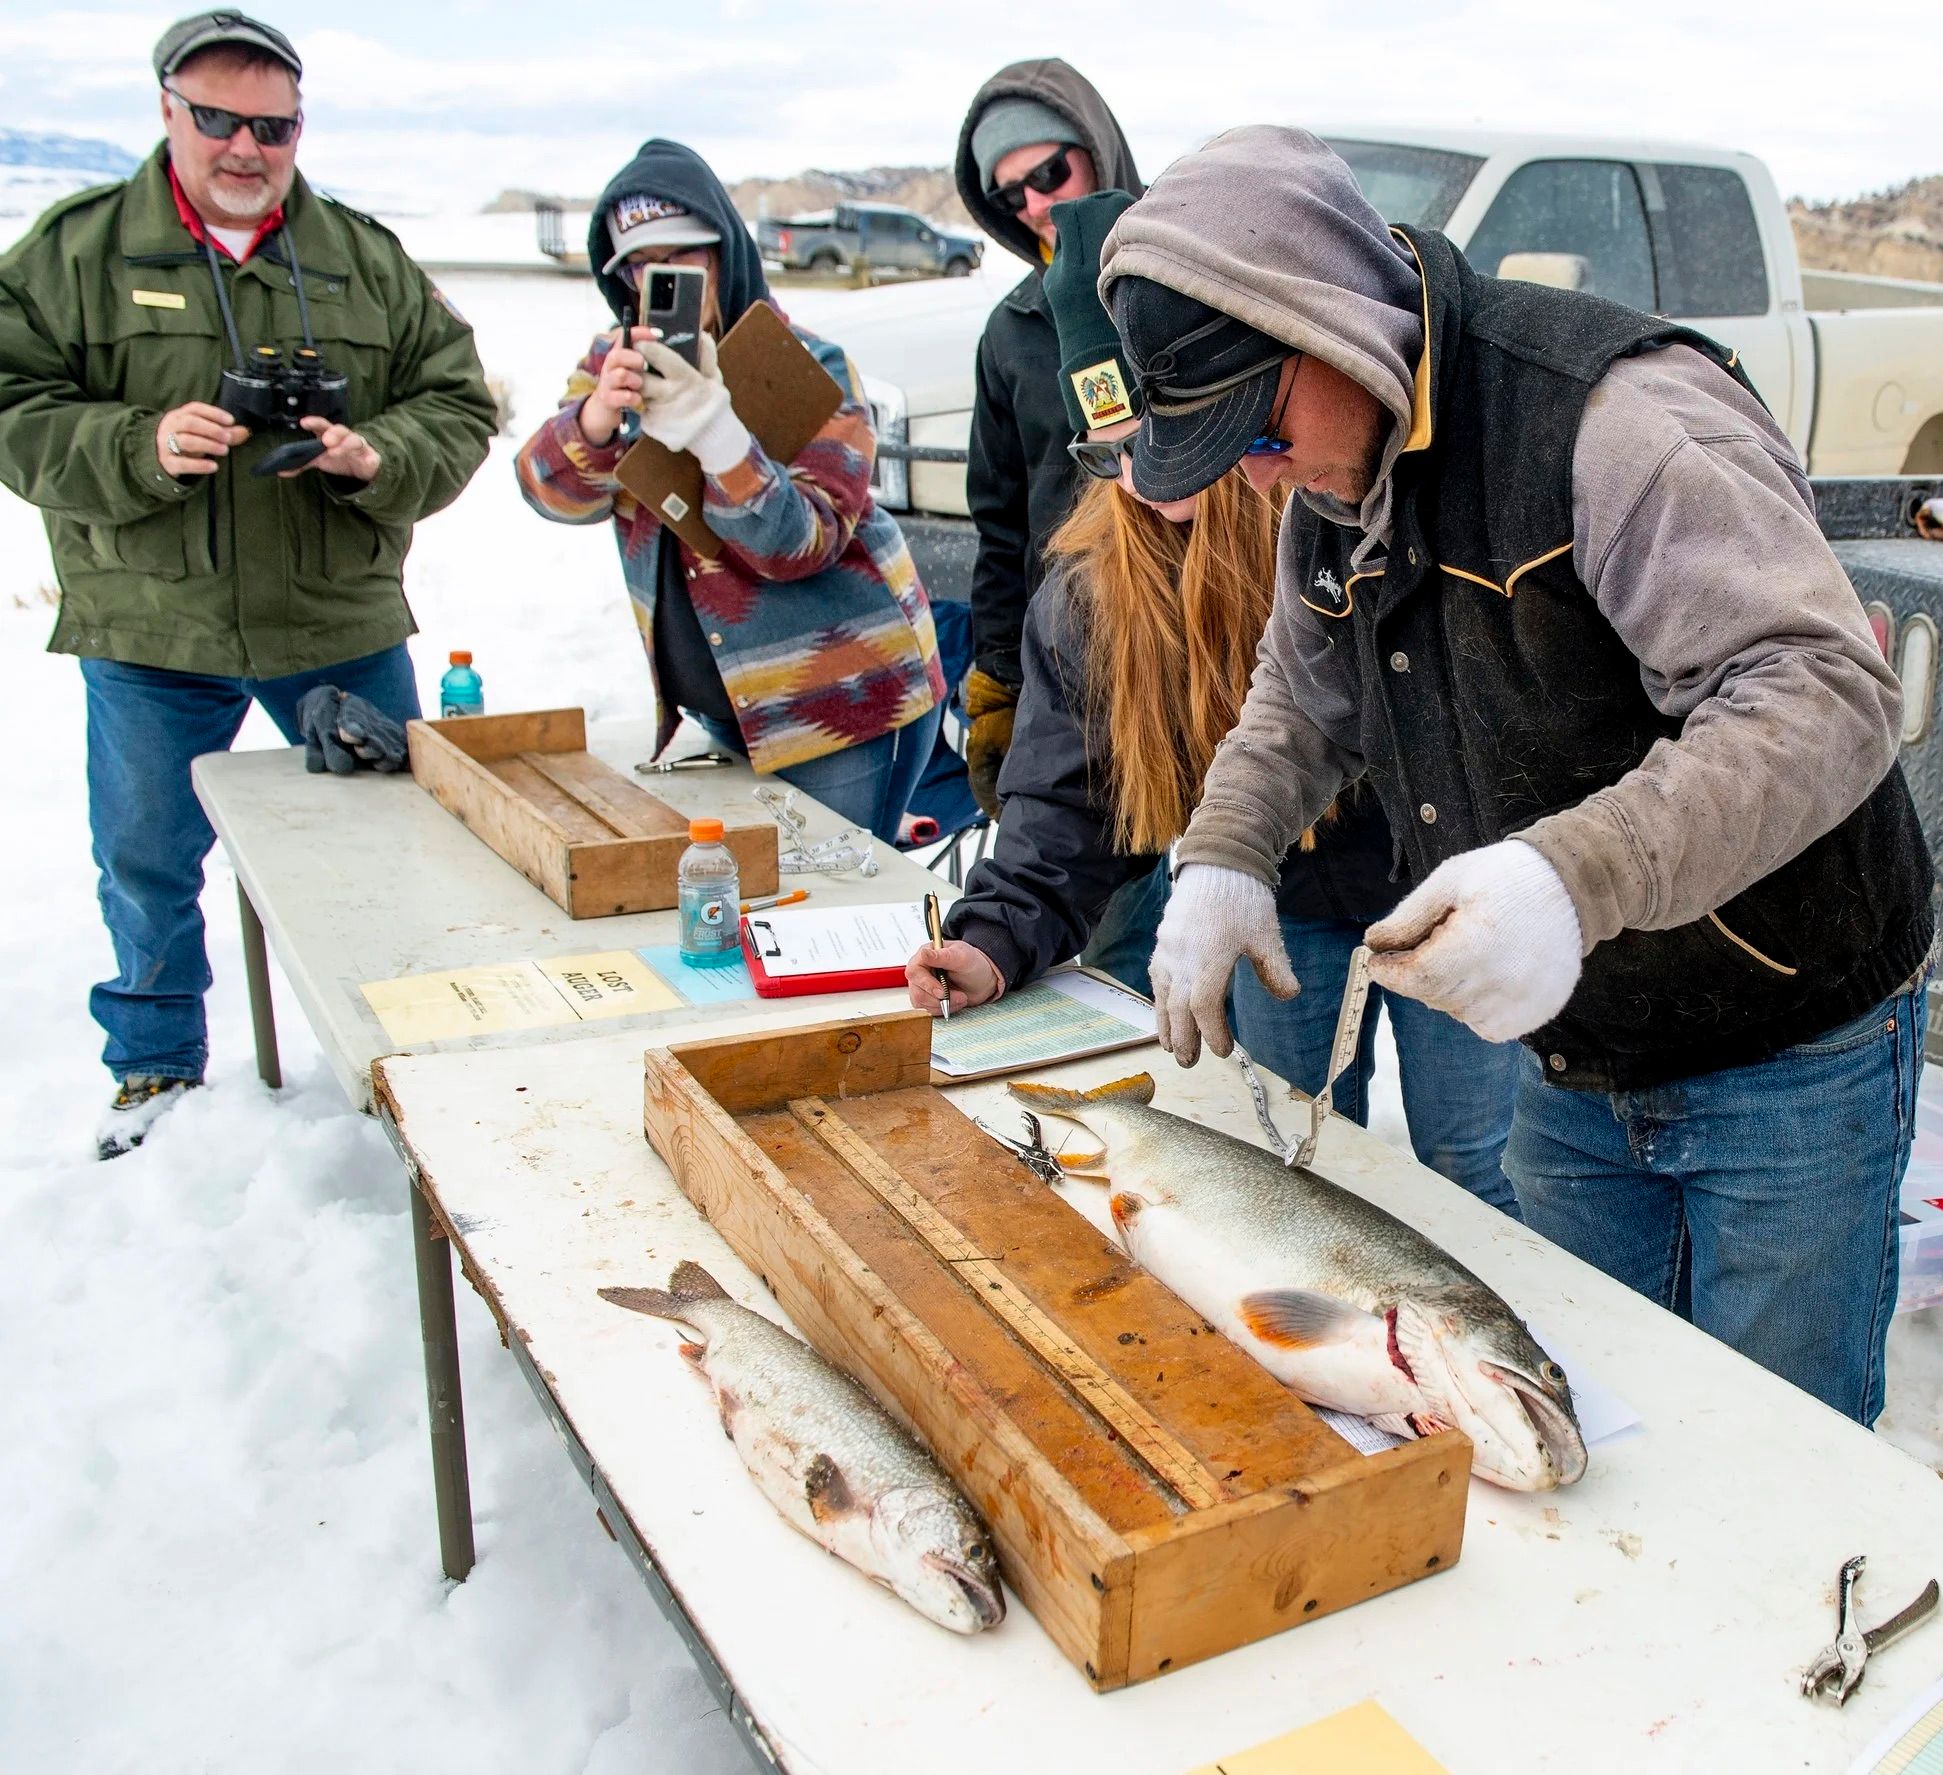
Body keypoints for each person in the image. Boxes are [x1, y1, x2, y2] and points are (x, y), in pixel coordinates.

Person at [1097, 129, 1935, 1425]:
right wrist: (1224, 854)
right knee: (1592, 1413)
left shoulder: (1609, 423)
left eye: (1255, 428)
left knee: (1782, 1440)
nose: (1255, 477)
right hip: (1576, 1051)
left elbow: (1820, 695)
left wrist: (1571, 873)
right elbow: (1298, 697)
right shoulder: (1332, 478)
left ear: (1330, 320)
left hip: (1782, 1035)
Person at [904, 193, 1518, 1210]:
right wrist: (992, 935)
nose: (1146, 481)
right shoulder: (1093, 589)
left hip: (1440, 883)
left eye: (1162, 438)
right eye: (1112, 454)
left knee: (1471, 1156)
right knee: (1306, 1161)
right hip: (1275, 913)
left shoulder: (1341, 500)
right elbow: (1066, 800)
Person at [0, 10, 495, 1158]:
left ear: (298, 127)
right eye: (216, 119)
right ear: (167, 112)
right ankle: (157, 1064)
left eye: (271, 126)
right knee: (147, 857)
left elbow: (457, 403)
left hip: (337, 618)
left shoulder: (363, 257)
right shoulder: (73, 255)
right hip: (151, 623)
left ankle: (403, 1057)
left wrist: (379, 456)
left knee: (388, 851)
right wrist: (136, 444)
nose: (244, 147)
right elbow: (14, 408)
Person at [516, 140, 944, 841]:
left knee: (827, 912)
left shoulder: (805, 364)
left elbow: (801, 543)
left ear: (723, 256)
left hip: (842, 703)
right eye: (642, 267)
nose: (664, 279)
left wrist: (718, 433)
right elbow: (547, 492)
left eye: (683, 258)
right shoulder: (614, 364)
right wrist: (597, 420)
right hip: (729, 708)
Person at [951, 63, 1167, 993]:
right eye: (1012, 193)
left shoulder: (1193, 274)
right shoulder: (1012, 332)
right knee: (1110, 959)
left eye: (1053, 176)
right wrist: (1002, 678)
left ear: (1099, 147)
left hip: (1230, 651)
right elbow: (1001, 527)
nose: (1037, 205)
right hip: (1092, 667)